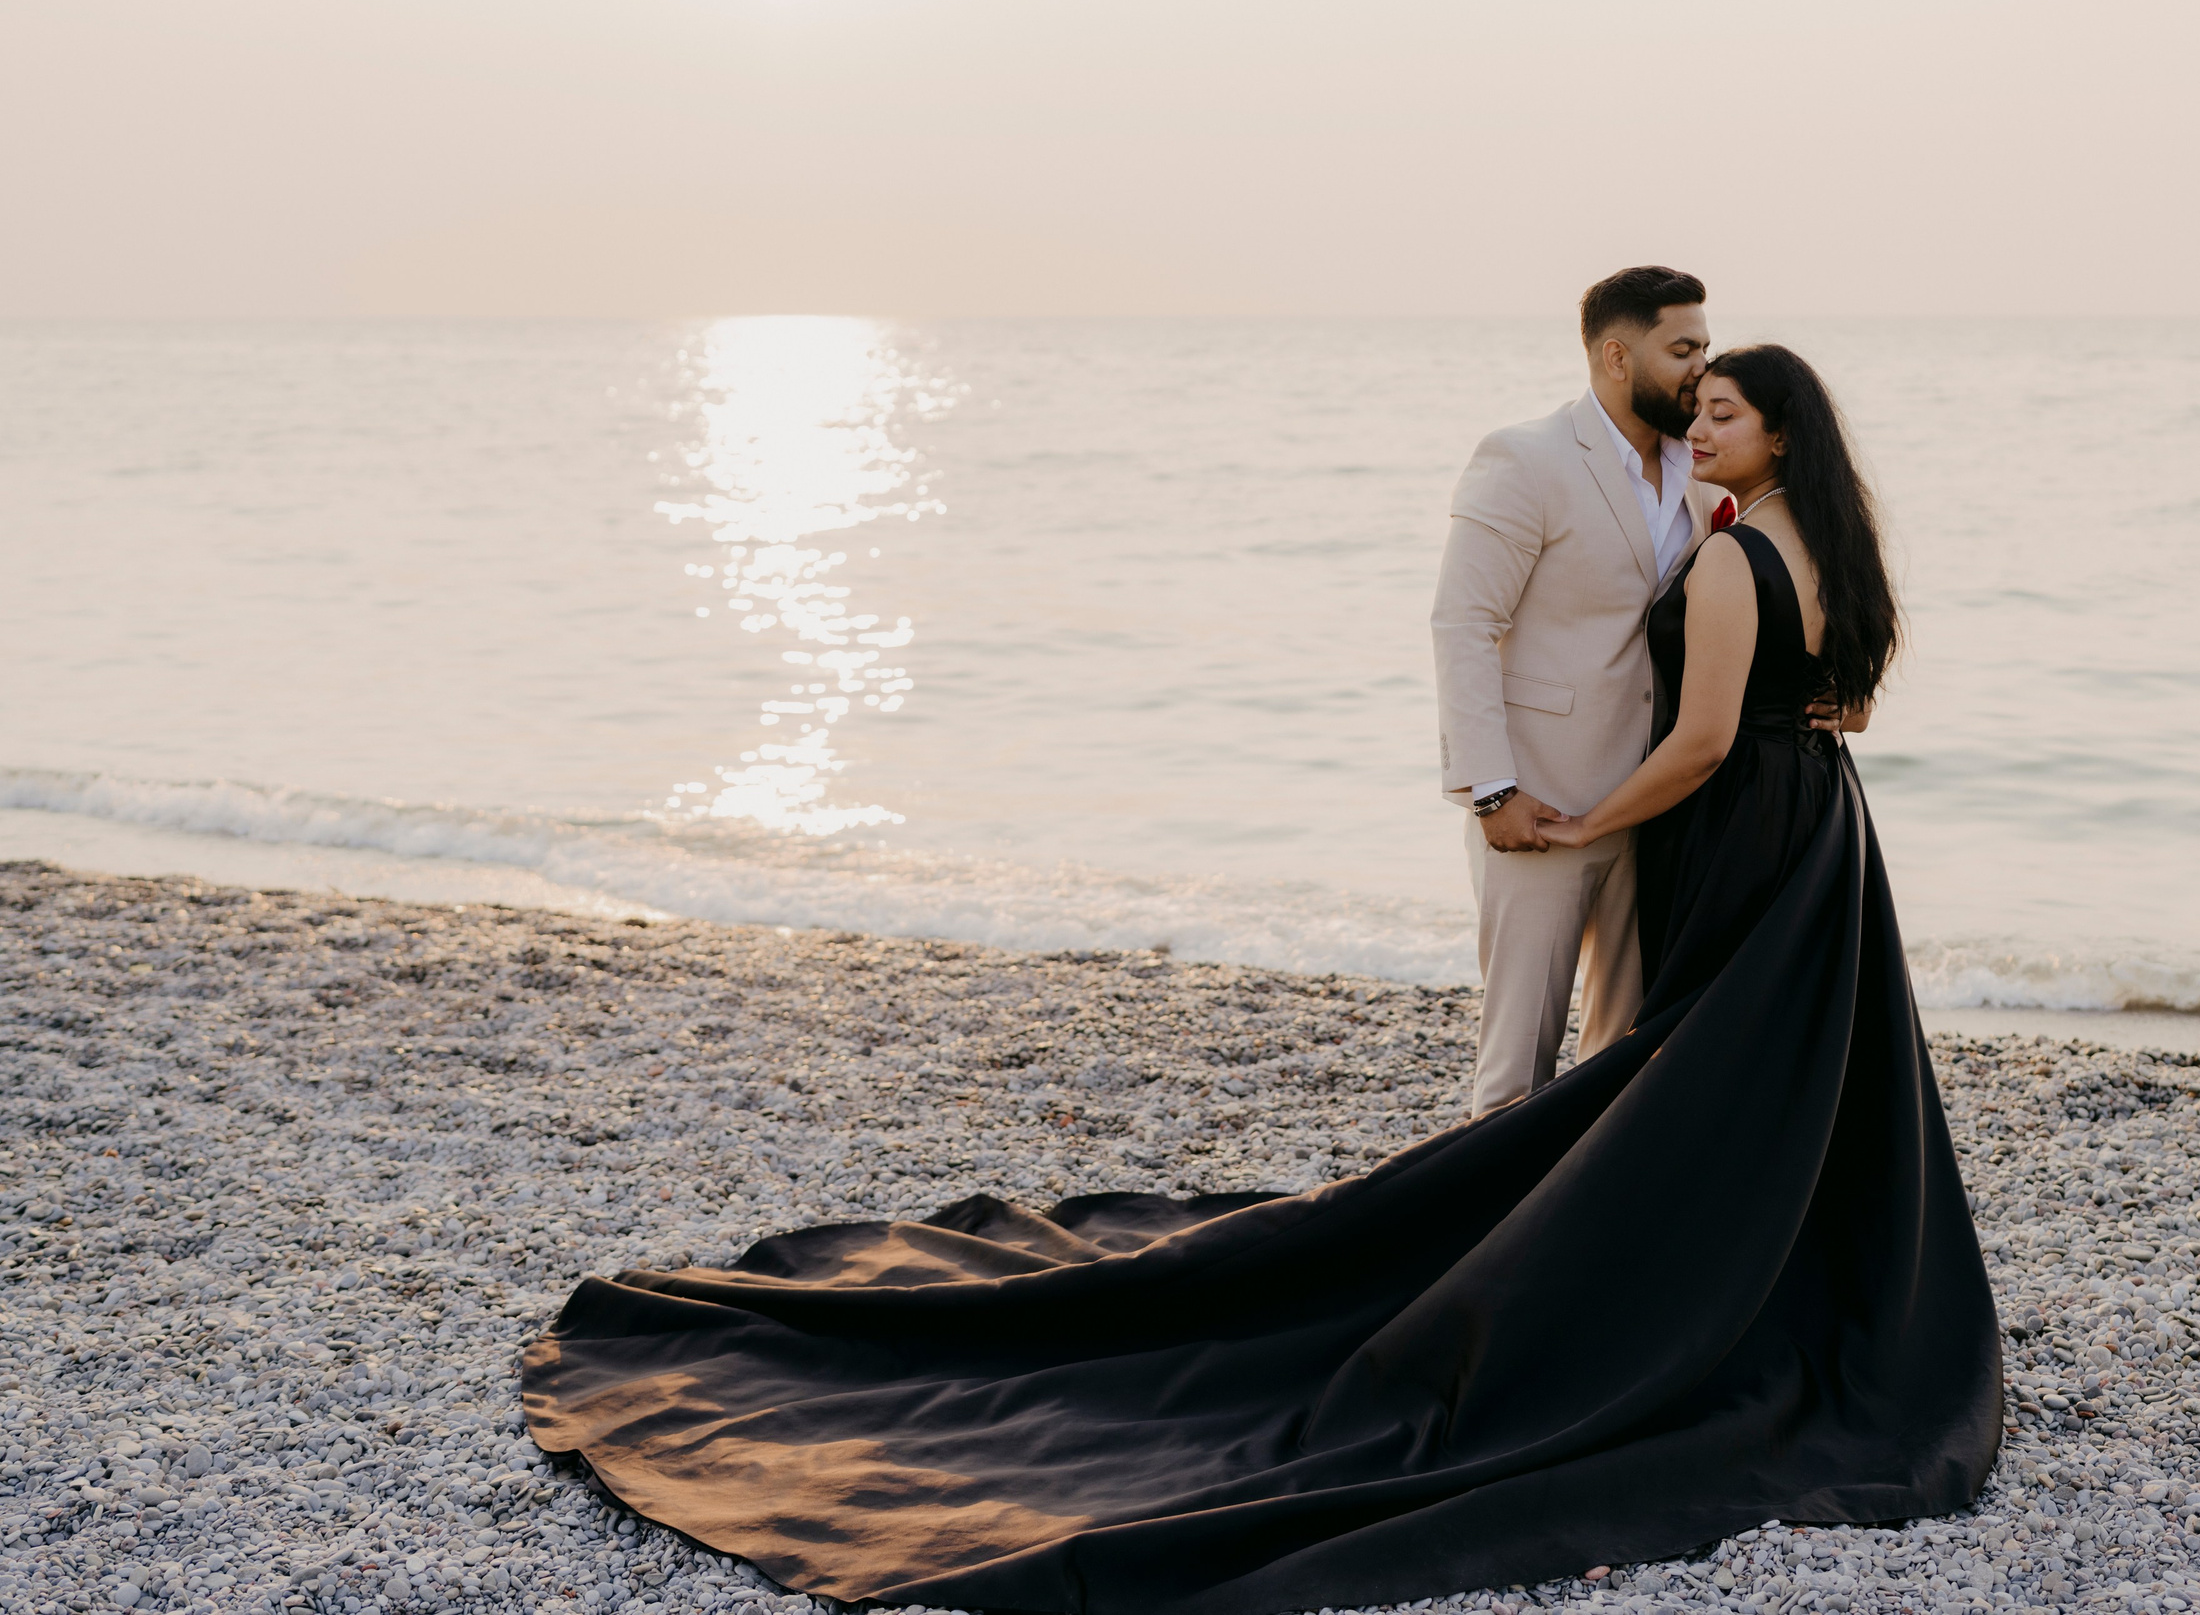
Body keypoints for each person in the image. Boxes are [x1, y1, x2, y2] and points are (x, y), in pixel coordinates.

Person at [521, 338, 2003, 1615]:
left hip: (1733, 823)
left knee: (1691, 1064)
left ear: (1781, 433)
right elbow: (1847, 706)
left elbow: (1699, 741)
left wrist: (1585, 818)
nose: (1701, 425)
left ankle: (1630, 1275)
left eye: (1726, 413)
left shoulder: (1736, 555)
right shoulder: (1832, 548)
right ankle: (1771, 1272)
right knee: (1772, 1062)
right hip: (1821, 827)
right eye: (1699, 402)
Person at [1430, 265, 1718, 1114]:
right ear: (1617, 356)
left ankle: (1585, 1198)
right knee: (1516, 1068)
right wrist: (1492, 790)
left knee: (1623, 1060)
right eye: (1683, 349)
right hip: (1542, 804)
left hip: (1655, 803)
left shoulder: (1702, 468)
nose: (1702, 367)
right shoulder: (1525, 458)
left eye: (1705, 346)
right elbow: (1462, 625)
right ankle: (1489, 1200)